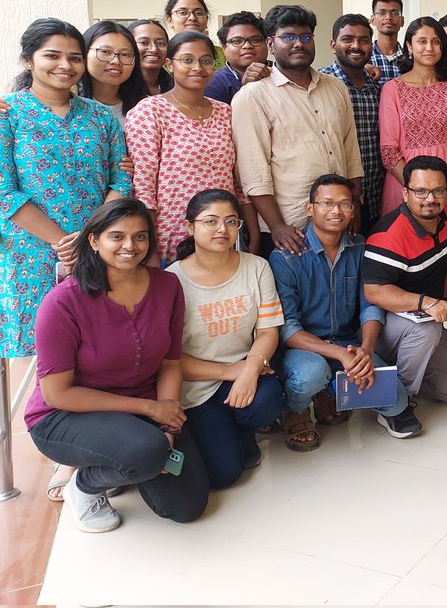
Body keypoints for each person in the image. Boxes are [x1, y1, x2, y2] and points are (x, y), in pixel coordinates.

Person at [24, 199, 209, 532]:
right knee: (147, 451)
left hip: (142, 408)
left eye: (140, 237)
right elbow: (57, 394)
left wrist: (168, 419)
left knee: (187, 507)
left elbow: (170, 362)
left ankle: (124, 457)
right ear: (94, 241)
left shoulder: (167, 287)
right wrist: (151, 410)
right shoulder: (62, 303)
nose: (130, 246)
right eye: (117, 237)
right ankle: (85, 485)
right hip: (67, 415)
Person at [1, 19, 132, 359]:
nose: (65, 65)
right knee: (35, 350)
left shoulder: (101, 117)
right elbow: (4, 191)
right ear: (29, 60)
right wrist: (62, 242)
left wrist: (91, 236)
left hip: (97, 248)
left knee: (93, 344)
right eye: (52, 56)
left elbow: (120, 179)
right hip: (30, 252)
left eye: (74, 58)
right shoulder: (8, 114)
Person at [271, 175, 417, 449]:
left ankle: (328, 392)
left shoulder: (361, 248)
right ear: (309, 208)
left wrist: (365, 350)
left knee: (396, 400)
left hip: (348, 343)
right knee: (310, 374)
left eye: (344, 204)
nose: (336, 211)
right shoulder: (286, 257)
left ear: (353, 210)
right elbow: (288, 328)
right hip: (304, 349)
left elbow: (370, 305)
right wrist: (340, 355)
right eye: (326, 203)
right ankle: (296, 409)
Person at [171, 190, 285, 489]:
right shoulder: (172, 282)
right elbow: (169, 359)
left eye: (231, 222)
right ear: (189, 227)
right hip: (197, 383)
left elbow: (267, 330)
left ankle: (242, 427)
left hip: (245, 372)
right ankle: (222, 429)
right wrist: (230, 371)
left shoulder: (256, 267)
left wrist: (248, 370)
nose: (223, 230)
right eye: (211, 221)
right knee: (224, 475)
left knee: (267, 401)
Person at [231, 4, 364, 256]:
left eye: (305, 37)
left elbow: (350, 152)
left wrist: (352, 205)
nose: (299, 44)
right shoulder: (253, 96)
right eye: (288, 37)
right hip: (290, 228)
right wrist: (277, 226)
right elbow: (252, 171)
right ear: (271, 44)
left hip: (338, 219)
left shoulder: (336, 87)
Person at [362, 157, 447, 414]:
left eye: (438, 190)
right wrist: (426, 303)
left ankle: (392, 375)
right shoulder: (387, 236)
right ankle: (395, 404)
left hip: (424, 318)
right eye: (420, 191)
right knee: (426, 331)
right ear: (405, 193)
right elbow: (373, 292)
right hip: (385, 325)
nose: (430, 198)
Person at [127, 32, 257, 263]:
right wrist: (148, 246)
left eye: (206, 60)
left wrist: (253, 235)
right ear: (169, 64)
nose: (198, 67)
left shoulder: (225, 112)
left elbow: (238, 182)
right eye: (187, 60)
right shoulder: (150, 111)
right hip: (171, 234)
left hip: (223, 232)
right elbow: (143, 187)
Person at [377, 17, 447, 217]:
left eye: (436, 42)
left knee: (444, 242)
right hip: (403, 184)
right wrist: (416, 190)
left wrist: (442, 188)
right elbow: (389, 150)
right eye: (422, 41)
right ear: (409, 46)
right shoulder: (391, 89)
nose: (429, 47)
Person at [320, 13, 385, 232]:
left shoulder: (378, 87)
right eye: (347, 39)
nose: (356, 46)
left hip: (377, 195)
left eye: (364, 40)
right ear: (333, 45)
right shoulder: (319, 85)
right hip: (337, 199)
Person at [79, 20, 143, 127]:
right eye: (105, 52)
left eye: (125, 54)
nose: (116, 61)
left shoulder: (146, 108)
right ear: (84, 54)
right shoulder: (67, 104)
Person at [206, 11, 270, 105]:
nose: (247, 46)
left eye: (255, 40)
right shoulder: (213, 83)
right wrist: (245, 89)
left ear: (267, 43)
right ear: (224, 48)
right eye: (237, 41)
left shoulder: (281, 73)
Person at [165, 0, 225, 70]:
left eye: (199, 13)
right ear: (169, 20)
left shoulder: (220, 54)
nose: (192, 18)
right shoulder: (161, 55)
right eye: (183, 13)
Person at [129, 19, 174, 96]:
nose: (154, 49)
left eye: (161, 43)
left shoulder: (176, 86)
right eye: (144, 42)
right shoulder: (117, 87)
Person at [368, 0, 405, 82]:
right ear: (373, 20)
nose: (388, 17)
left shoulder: (410, 58)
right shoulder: (365, 58)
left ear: (402, 21)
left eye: (395, 13)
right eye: (382, 12)